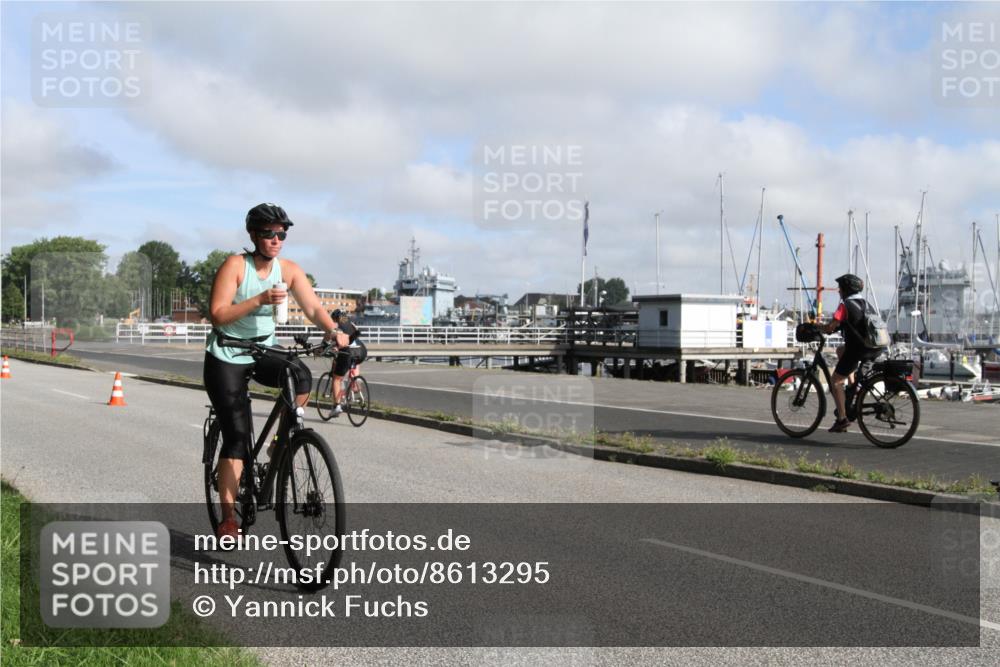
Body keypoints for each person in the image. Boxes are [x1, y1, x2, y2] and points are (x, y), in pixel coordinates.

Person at [204, 203, 349, 539]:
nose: (276, 239)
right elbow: (218, 314)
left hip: (262, 348)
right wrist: (258, 300)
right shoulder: (235, 266)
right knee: (237, 438)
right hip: (227, 353)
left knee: (300, 376)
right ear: (254, 235)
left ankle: (280, 442)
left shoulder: (289, 270)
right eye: (269, 233)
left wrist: (332, 331)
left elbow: (313, 307)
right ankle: (228, 519)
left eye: (282, 234)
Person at [820, 273, 880, 433]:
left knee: (835, 381)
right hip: (875, 347)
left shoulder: (845, 305)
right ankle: (852, 385)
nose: (838, 291)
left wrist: (819, 328)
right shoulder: (866, 303)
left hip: (859, 349)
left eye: (840, 288)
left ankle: (842, 419)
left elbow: (831, 326)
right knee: (840, 350)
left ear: (846, 290)